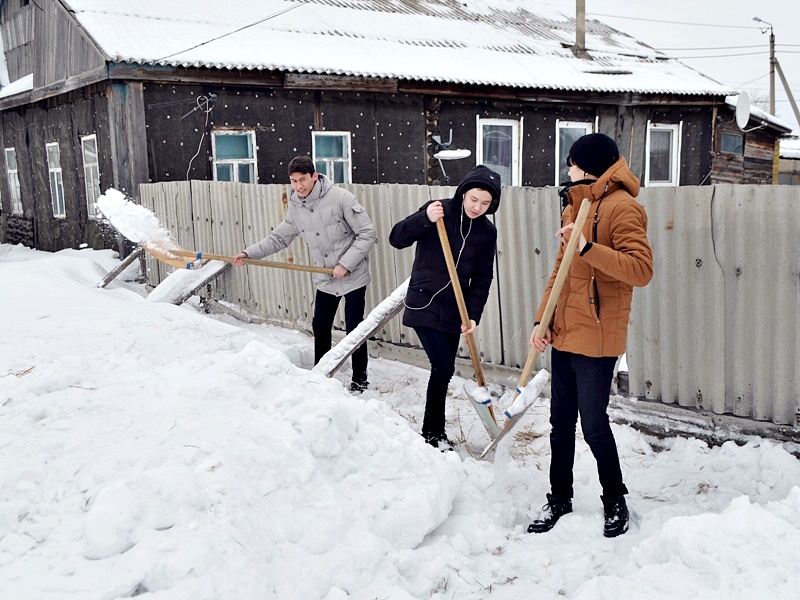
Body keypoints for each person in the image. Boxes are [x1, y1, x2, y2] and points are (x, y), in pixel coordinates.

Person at [527, 133, 653, 538]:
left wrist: (587, 249)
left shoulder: (624, 208)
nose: (567, 171)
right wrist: (542, 322)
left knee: (594, 423)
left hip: (597, 336)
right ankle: (559, 496)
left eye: (572, 164)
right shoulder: (575, 206)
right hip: (564, 331)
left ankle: (614, 499)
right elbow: (560, 274)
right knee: (559, 421)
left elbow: (640, 270)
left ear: (589, 166)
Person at [233, 156, 376, 392]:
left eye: (302, 179)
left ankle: (360, 379)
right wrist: (249, 253)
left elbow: (367, 233)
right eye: (293, 181)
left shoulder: (341, 198)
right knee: (320, 326)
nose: (299, 186)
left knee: (354, 329)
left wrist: (346, 264)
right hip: (324, 275)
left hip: (352, 275)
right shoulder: (296, 207)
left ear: (314, 176)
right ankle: (322, 374)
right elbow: (279, 238)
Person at [389, 165, 502, 451]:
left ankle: (433, 430)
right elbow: (397, 238)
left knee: (444, 369)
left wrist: (473, 314)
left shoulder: (487, 232)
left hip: (456, 310)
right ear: (463, 193)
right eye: (474, 199)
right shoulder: (439, 211)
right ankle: (432, 433)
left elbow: (483, 278)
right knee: (443, 365)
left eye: (486, 203)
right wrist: (424, 219)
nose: (478, 207)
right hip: (424, 302)